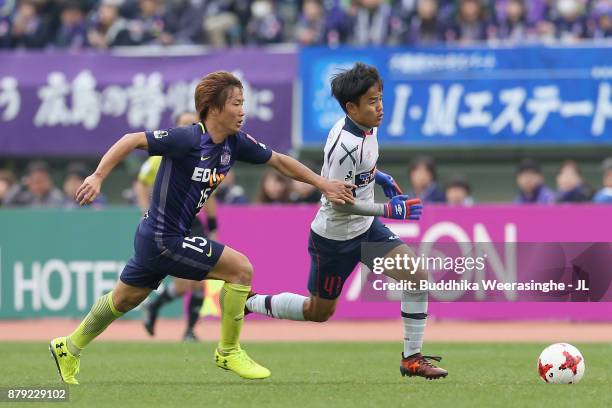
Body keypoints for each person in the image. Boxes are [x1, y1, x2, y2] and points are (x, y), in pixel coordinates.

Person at [48, 71, 354, 384]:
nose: (243, 110)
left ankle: (68, 346)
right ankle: (228, 350)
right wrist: (98, 177)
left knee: (122, 300)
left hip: (160, 237)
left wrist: (321, 183)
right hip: (162, 238)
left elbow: (279, 161)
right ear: (214, 108)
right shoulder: (188, 138)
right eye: (236, 103)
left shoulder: (235, 143)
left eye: (243, 102)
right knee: (241, 270)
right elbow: (131, 140)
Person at [245, 63, 448, 380]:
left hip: (366, 231)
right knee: (319, 312)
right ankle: (252, 302)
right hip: (334, 239)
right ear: (351, 107)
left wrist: (381, 177)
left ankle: (412, 359)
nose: (380, 107)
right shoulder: (345, 146)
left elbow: (363, 169)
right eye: (371, 101)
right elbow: (341, 203)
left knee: (416, 276)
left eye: (380, 98)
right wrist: (389, 211)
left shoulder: (369, 127)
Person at [136, 112, 215, 341]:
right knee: (183, 285)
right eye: (183, 124)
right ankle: (153, 306)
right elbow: (141, 183)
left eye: (193, 123)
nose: (188, 128)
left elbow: (209, 194)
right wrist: (145, 211)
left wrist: (212, 225)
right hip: (170, 223)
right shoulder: (161, 153)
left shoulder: (206, 154)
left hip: (194, 223)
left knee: (201, 280)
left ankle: (189, 331)